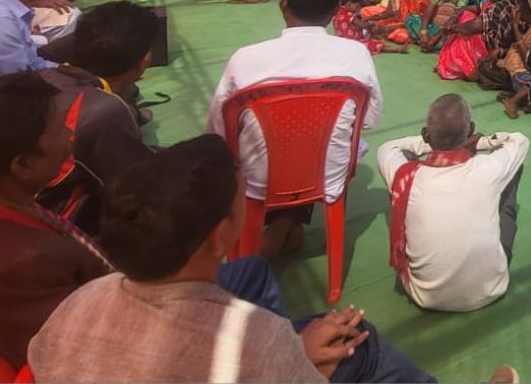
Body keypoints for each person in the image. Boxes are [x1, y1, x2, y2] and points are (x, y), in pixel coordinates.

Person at [28, 135, 445, 383]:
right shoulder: (260, 344)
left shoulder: (78, 302)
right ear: (221, 235)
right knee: (360, 343)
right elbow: (265, 356)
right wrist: (295, 357)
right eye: (241, 196)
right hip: (258, 357)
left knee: (253, 269)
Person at [0, 74, 111, 378]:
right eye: (59, 131)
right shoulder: (26, 267)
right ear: (23, 165)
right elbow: (93, 351)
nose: (70, 136)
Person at [206, 0, 382, 257]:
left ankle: (274, 234)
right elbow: (370, 120)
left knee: (255, 150)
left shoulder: (245, 59)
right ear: (335, 11)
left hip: (259, 177)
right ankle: (285, 227)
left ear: (283, 3)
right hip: (326, 173)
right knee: (318, 145)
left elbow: (218, 129)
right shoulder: (356, 54)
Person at [377, 94, 528, 312]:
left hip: (426, 296)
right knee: (513, 167)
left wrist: (430, 142)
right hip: (491, 289)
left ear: (425, 135)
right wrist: (482, 142)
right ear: (471, 129)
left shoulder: (407, 176)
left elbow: (388, 148)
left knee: (398, 182)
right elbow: (520, 141)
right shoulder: (488, 168)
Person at [36, 2, 157, 233]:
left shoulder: (46, 76)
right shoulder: (104, 110)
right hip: (57, 234)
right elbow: (133, 189)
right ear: (144, 60)